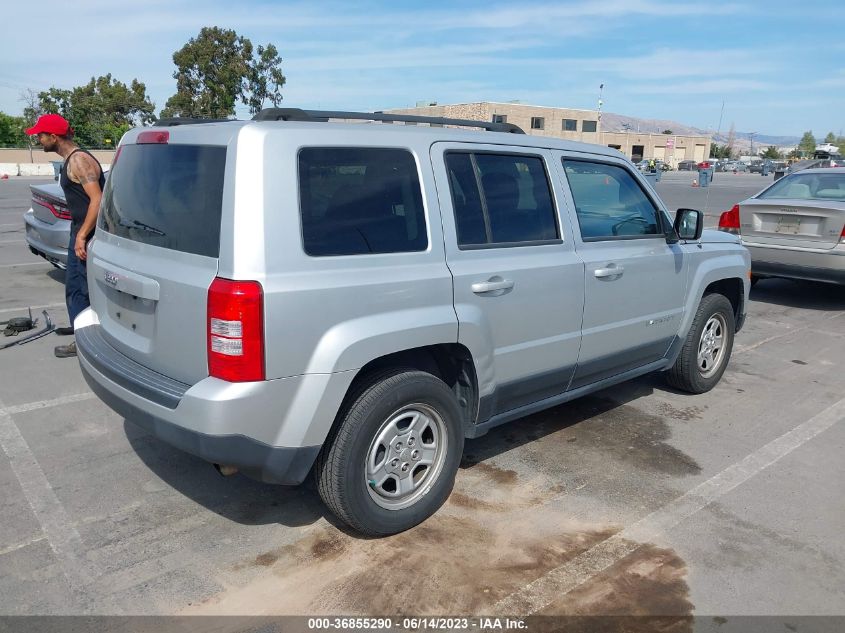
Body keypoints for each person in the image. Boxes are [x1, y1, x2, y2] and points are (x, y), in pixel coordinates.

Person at [26, 114, 105, 358]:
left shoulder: (79, 160)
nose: (38, 139)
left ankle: (85, 342)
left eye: (41, 135)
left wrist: (81, 236)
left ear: (54, 136)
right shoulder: (72, 159)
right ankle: (79, 330)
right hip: (80, 231)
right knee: (75, 287)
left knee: (79, 288)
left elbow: (97, 200)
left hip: (87, 236)